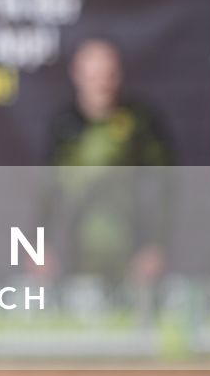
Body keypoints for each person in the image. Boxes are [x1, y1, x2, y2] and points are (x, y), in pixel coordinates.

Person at [40, 38, 173, 298]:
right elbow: (48, 190)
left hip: (132, 253)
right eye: (93, 75)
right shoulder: (64, 127)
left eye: (107, 75)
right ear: (77, 75)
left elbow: (164, 187)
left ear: (118, 75)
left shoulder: (140, 124)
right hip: (73, 255)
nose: (101, 83)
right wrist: (40, 246)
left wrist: (155, 245)